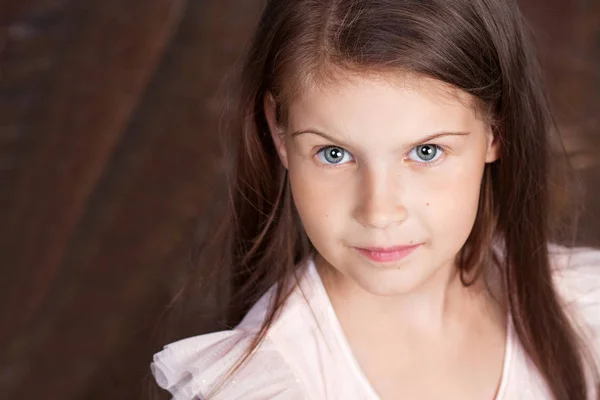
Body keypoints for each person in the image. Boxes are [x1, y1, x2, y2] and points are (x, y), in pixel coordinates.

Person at [150, 0, 600, 398]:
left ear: (496, 129)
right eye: (334, 153)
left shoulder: (582, 309)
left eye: (426, 152)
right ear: (279, 131)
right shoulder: (272, 384)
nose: (379, 211)